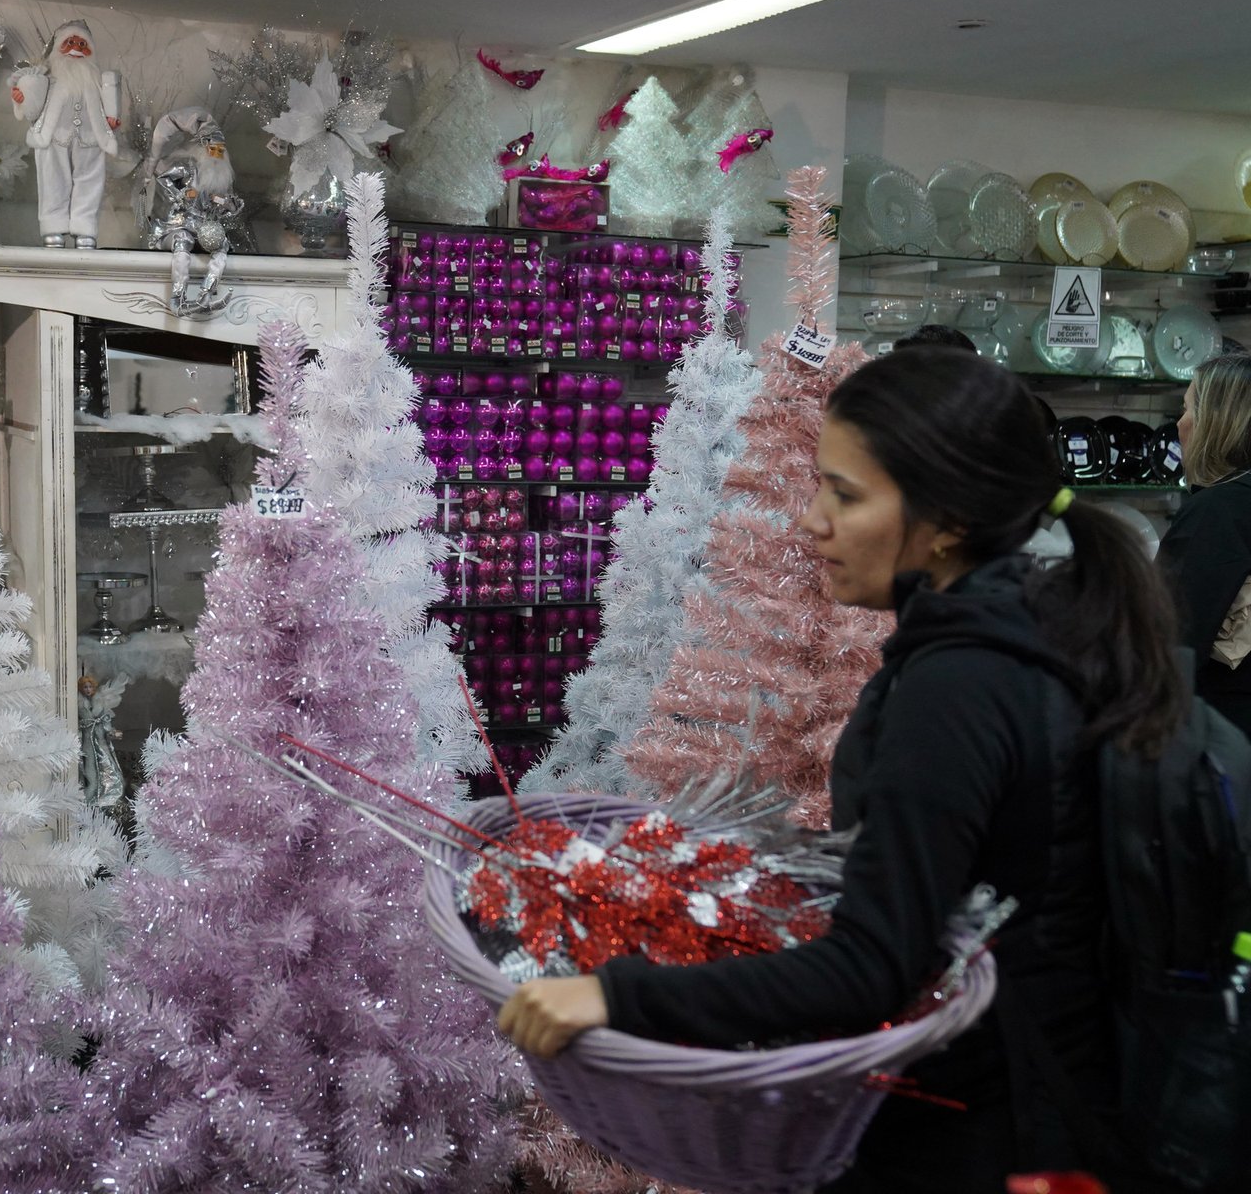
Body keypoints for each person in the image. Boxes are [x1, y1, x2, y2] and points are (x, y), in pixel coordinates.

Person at [498, 347, 1189, 1192]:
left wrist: (614, 999)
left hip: (987, 1133)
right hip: (1036, 1097)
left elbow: (871, 968)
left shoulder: (960, 685)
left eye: (847, 495)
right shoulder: (1029, 630)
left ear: (948, 520)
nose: (811, 521)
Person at [1156, 353, 1251, 737]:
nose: (1180, 423)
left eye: (1188, 406)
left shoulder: (1218, 511)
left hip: (1222, 730)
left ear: (1217, 422)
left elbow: (1171, 636)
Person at [9, 19, 123, 249]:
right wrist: (23, 98)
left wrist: (111, 117)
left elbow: (110, 104)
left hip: (90, 136)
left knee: (90, 180)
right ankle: (53, 227)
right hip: (54, 136)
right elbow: (33, 106)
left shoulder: (95, 82)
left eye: (82, 43)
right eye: (69, 42)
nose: (76, 47)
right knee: (52, 180)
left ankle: (85, 228)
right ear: (58, 47)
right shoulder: (49, 80)